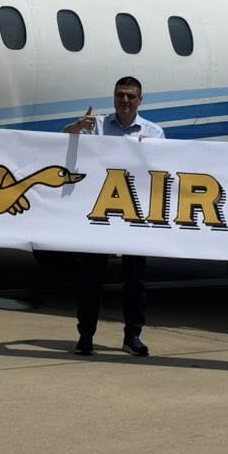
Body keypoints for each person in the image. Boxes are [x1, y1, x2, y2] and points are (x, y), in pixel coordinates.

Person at [65, 75, 165, 357]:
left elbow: (163, 170)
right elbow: (60, 143)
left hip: (135, 214)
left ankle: (132, 336)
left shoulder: (154, 132)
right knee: (91, 278)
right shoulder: (95, 126)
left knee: (135, 280)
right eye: (120, 95)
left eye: (131, 96)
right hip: (100, 212)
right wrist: (76, 127)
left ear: (140, 100)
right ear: (114, 97)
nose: (125, 100)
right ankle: (85, 335)